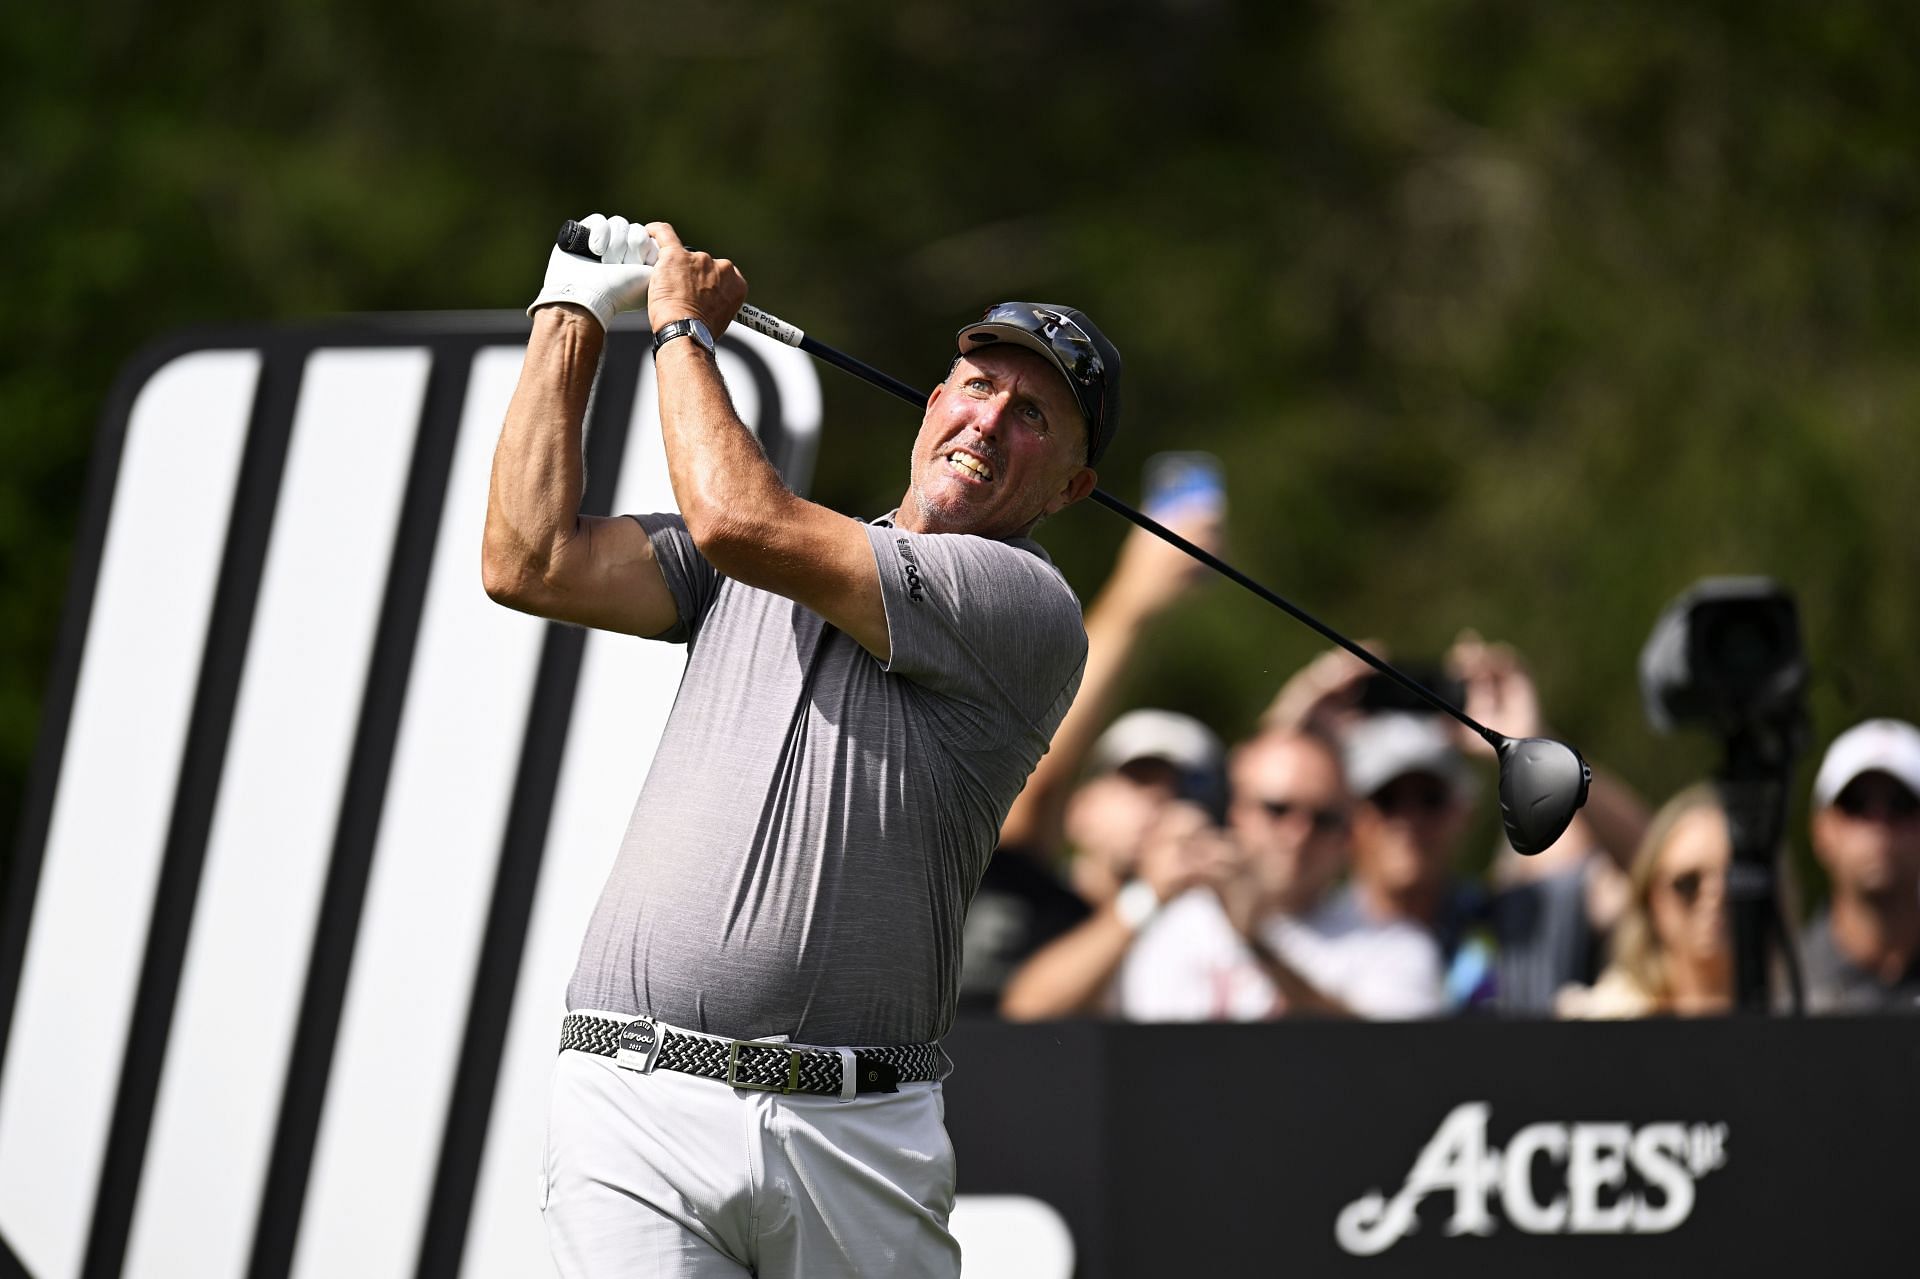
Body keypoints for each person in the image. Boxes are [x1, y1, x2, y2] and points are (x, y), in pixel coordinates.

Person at [483, 213, 1121, 1276]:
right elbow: (529, 559)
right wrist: (573, 312)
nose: (991, 419)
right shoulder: (764, 555)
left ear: (1070, 489)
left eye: (1036, 417)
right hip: (632, 1098)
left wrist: (681, 329)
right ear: (933, 399)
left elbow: (741, 520)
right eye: (979, 385)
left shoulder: (1025, 605)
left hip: (852, 1134)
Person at [1266, 635, 1648, 1015]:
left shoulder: (1520, 924)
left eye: (1430, 799)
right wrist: (1291, 725)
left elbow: (1656, 865)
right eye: (1387, 800)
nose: (1410, 820)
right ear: (1352, 814)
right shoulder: (1305, 935)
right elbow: (1244, 844)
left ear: (1462, 811)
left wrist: (1539, 745)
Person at [1113, 728, 1446, 1021]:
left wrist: (1257, 943)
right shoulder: (1174, 924)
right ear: (1235, 811)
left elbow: (1390, 1064)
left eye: (1323, 819)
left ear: (1348, 834)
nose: (1298, 834)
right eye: (1277, 809)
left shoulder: (1397, 947)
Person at [1557, 784, 1733, 1019]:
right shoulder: (1603, 1021)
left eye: (1734, 880)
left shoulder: (1792, 1003)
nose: (1714, 897)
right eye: (1687, 883)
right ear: (1652, 898)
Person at [1800, 719, 1920, 1014]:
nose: (1878, 823)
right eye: (1855, 804)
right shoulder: (1784, 985)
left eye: (1901, 804)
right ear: (1821, 830)